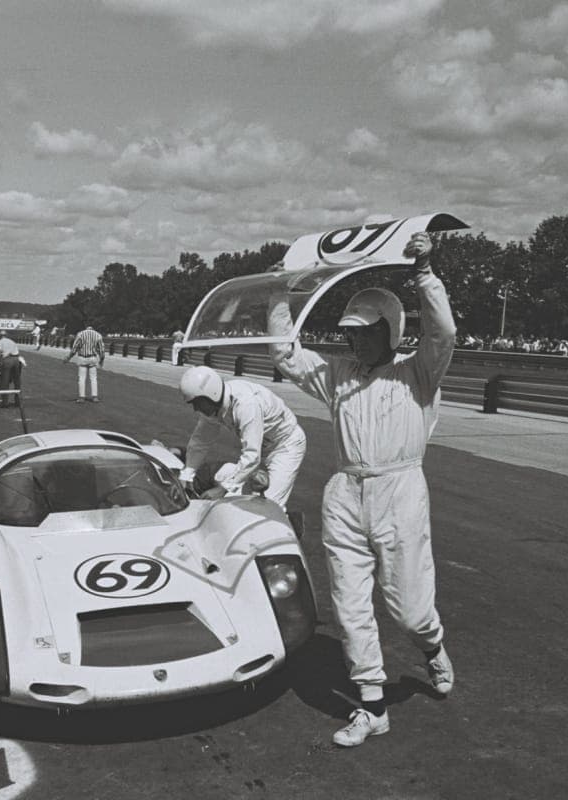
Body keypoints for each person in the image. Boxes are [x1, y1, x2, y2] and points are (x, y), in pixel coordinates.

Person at [268, 231, 456, 747]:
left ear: (391, 330)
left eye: (366, 332)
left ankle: (432, 646)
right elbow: (286, 354)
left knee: (410, 609)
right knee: (350, 606)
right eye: (351, 332)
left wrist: (424, 274)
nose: (355, 340)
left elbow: (442, 335)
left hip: (400, 491)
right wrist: (282, 293)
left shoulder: (419, 372)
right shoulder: (338, 375)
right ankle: (372, 706)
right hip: (345, 492)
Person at [177, 365, 306, 509]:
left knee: (269, 506)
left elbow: (251, 455)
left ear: (210, 395)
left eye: (197, 403)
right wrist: (186, 475)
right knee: (241, 500)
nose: (196, 409)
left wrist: (222, 489)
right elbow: (200, 441)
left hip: (284, 446)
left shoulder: (246, 404)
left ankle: (291, 523)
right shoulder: (213, 406)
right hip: (261, 447)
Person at [64, 323, 105, 402]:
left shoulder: (80, 334)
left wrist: (68, 357)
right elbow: (101, 350)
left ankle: (82, 397)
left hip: (83, 357)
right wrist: (102, 360)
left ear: (86, 328)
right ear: (92, 328)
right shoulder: (98, 335)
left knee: (82, 378)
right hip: (93, 357)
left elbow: (74, 348)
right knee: (93, 378)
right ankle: (95, 397)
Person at [0, 330, 26, 408]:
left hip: (7, 360)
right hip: (16, 360)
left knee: (5, 381)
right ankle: (18, 401)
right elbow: (17, 352)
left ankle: (5, 402)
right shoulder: (12, 342)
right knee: (17, 381)